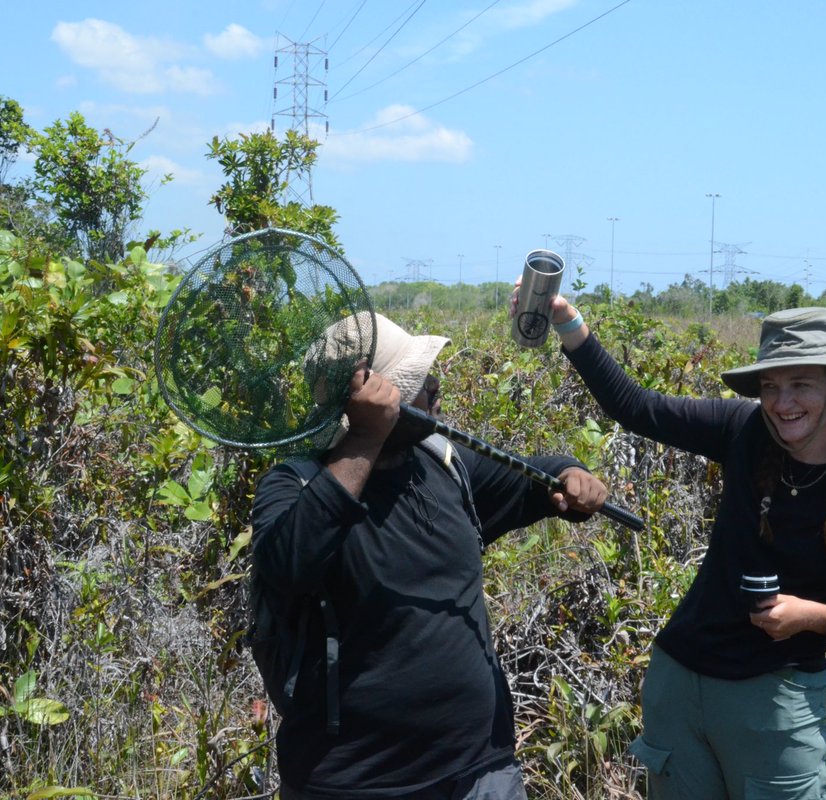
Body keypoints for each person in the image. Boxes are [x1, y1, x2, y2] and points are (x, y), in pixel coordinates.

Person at [543, 301, 826, 799]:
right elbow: (636, 408)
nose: (782, 402)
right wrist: (566, 322)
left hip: (777, 704)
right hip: (680, 685)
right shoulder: (742, 431)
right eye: (771, 386)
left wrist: (814, 617)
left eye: (801, 384)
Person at [250, 312, 610, 799]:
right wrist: (364, 440)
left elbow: (533, 478)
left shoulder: (443, 464)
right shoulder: (296, 485)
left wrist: (570, 474)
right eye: (418, 382)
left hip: (482, 770)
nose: (436, 388)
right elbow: (287, 567)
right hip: (355, 784)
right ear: (372, 404)